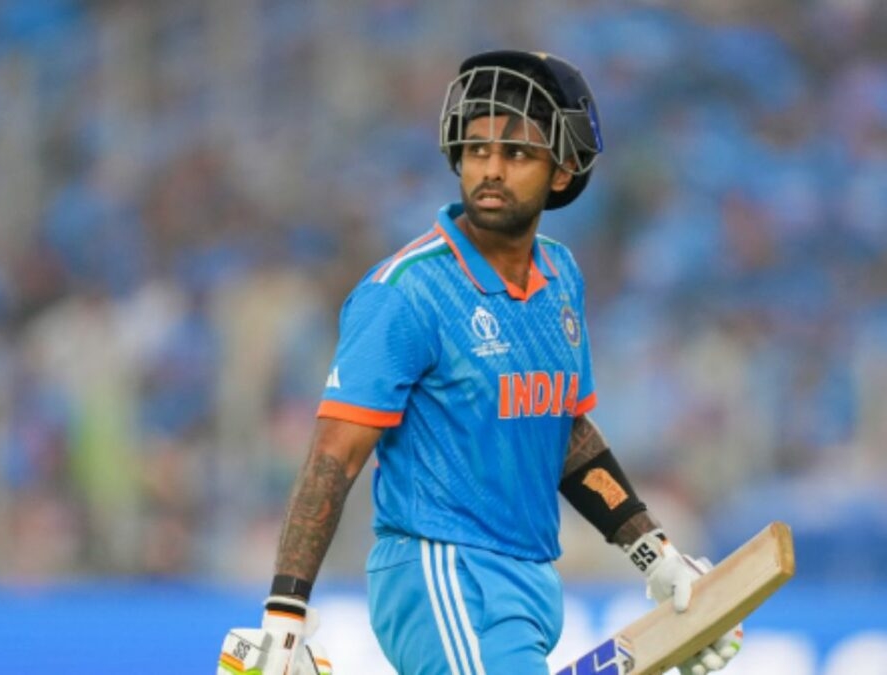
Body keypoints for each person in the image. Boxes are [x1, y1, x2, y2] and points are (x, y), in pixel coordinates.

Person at [218, 50, 742, 675]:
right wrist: (285, 611)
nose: (490, 169)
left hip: (530, 582)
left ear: (563, 170)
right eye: (476, 149)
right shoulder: (405, 291)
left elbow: (565, 433)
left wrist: (653, 554)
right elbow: (334, 456)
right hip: (441, 572)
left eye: (516, 153)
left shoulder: (561, 276)